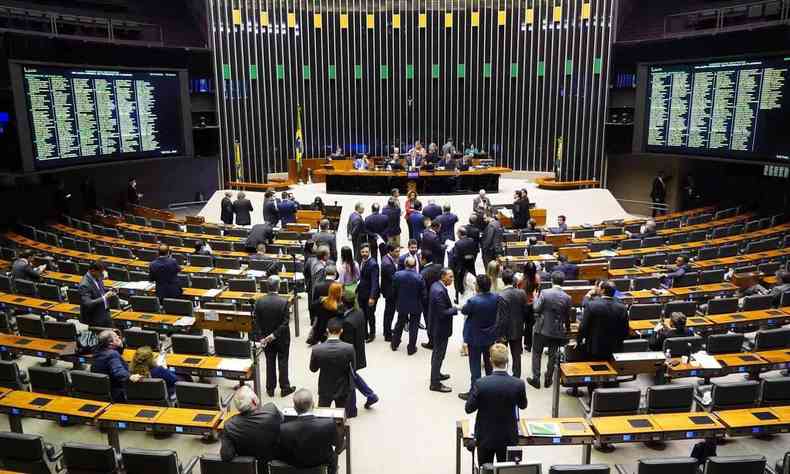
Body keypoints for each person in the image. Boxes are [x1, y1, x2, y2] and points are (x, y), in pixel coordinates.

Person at [464, 344, 528, 465]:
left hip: (485, 437)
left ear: (490, 360)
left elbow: (469, 408)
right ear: (507, 361)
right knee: (506, 471)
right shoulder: (518, 384)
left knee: (485, 470)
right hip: (508, 437)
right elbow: (523, 405)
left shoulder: (481, 384)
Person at [331, 293, 379, 414]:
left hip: (350, 354)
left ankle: (352, 409)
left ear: (344, 303)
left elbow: (346, 343)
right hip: (359, 350)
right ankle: (370, 395)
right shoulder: (360, 312)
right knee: (353, 376)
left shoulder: (347, 322)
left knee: (350, 381)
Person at [278, 389, 344, 474]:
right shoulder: (329, 423)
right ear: (313, 404)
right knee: (333, 454)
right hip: (320, 462)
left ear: (294, 408)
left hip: (294, 465)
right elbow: (337, 445)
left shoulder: (283, 429)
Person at [220, 385, 283, 473]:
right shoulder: (271, 410)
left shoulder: (229, 425)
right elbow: (282, 420)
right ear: (254, 401)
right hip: (274, 466)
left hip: (249, 470)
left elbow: (226, 455)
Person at [528, 271, 573, 389]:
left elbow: (536, 309)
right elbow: (568, 317)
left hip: (542, 328)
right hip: (557, 330)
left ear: (552, 280)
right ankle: (548, 379)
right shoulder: (567, 297)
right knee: (553, 355)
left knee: (537, 352)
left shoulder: (544, 293)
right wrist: (567, 329)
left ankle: (536, 379)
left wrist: (535, 297)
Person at [459, 274, 499, 400]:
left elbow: (464, 311)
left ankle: (475, 392)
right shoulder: (496, 298)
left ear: (478, 287)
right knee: (489, 365)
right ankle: (491, 390)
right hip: (489, 337)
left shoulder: (473, 301)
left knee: (475, 367)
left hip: (475, 338)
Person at [254, 275, 295, 397]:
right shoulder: (284, 302)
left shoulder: (259, 302)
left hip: (266, 338)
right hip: (281, 338)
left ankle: (270, 389)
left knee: (269, 361)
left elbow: (256, 322)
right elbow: (285, 323)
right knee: (283, 361)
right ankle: (284, 388)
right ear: (279, 286)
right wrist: (274, 335)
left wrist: (262, 337)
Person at [310, 318, 356, 412]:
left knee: (322, 415)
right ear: (341, 331)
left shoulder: (317, 349)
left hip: (324, 388)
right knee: (342, 416)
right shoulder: (349, 348)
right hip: (343, 388)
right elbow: (353, 369)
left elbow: (313, 369)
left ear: (327, 330)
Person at [577, 280, 629, 360]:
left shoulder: (591, 305)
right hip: (614, 348)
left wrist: (579, 341)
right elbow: (625, 331)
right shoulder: (622, 308)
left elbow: (583, 327)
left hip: (595, 347)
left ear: (603, 290)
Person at [495, 269, 529, 378]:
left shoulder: (501, 296)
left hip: (504, 332)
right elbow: (525, 312)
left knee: (502, 356)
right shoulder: (522, 293)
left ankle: (502, 377)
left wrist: (500, 334)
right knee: (516, 356)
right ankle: (516, 378)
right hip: (518, 329)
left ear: (503, 281)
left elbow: (502, 318)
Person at [429, 268, 458, 392]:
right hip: (440, 329)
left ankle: (436, 374)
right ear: (443, 277)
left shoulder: (436, 286)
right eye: (450, 277)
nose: (452, 279)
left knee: (438, 354)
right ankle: (435, 383)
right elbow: (442, 313)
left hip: (438, 327)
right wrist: (456, 309)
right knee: (438, 355)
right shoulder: (439, 291)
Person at [91, 329, 142, 401]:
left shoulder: (97, 351)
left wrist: (120, 343)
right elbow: (118, 372)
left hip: (103, 390)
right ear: (111, 343)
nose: (118, 336)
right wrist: (130, 376)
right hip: (117, 392)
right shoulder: (112, 354)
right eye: (116, 337)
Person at [391, 256, 426, 355]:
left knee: (400, 324)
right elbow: (423, 294)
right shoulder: (419, 277)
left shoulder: (397, 275)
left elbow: (394, 291)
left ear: (405, 264)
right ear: (415, 266)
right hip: (416, 305)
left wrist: (396, 301)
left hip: (402, 304)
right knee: (414, 327)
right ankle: (411, 348)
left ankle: (394, 344)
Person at [79, 261, 116, 328]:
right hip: (94, 317)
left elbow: (99, 290)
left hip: (105, 312)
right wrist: (105, 297)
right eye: (101, 272)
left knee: (113, 333)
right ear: (93, 271)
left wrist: (110, 290)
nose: (102, 274)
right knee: (102, 337)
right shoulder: (84, 284)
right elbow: (88, 303)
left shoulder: (97, 277)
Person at [419, 254, 444, 349]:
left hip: (428, 301)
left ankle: (431, 342)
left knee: (429, 321)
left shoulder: (423, 273)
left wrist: (423, 301)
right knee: (437, 319)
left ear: (424, 260)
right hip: (439, 297)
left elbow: (423, 289)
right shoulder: (439, 267)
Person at [356, 244, 380, 342]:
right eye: (363, 252)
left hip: (370, 294)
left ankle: (372, 333)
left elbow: (375, 282)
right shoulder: (361, 261)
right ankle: (364, 333)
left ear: (369, 251)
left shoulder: (373, 264)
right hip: (362, 293)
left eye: (366, 252)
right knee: (363, 315)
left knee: (370, 315)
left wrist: (372, 297)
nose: (364, 254)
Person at [450, 227, 479, 299]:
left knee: (459, 282)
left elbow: (456, 257)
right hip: (471, 265)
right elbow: (475, 251)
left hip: (461, 267)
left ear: (460, 234)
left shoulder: (458, 244)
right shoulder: (472, 241)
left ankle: (458, 297)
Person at [519, 262, 541, 352]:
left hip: (522, 304)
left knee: (520, 325)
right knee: (529, 326)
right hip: (532, 304)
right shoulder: (537, 278)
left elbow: (518, 291)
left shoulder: (521, 280)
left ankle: (519, 346)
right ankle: (528, 345)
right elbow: (538, 290)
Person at [380, 244, 399, 342]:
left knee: (388, 312)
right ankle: (387, 334)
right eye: (396, 251)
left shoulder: (387, 258)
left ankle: (386, 330)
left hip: (388, 290)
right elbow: (394, 278)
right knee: (389, 313)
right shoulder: (387, 264)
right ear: (390, 252)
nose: (398, 253)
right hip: (390, 292)